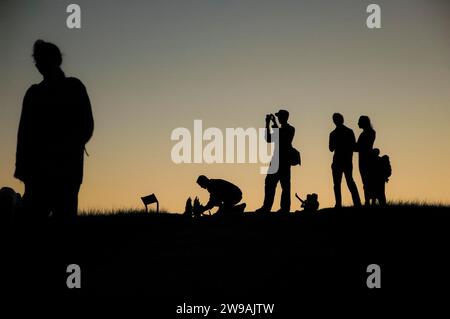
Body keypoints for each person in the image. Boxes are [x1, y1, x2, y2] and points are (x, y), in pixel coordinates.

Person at [14, 40, 94, 221]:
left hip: (66, 171)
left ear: (55, 60)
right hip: (39, 173)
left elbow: (87, 126)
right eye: (37, 60)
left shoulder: (74, 87)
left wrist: (68, 148)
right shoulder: (33, 93)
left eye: (41, 59)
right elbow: (24, 134)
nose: (39, 64)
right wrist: (21, 167)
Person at [256, 109, 295, 213]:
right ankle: (266, 207)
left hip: (284, 161)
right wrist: (267, 123)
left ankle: (284, 208)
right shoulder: (279, 129)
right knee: (269, 184)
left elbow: (283, 139)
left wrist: (274, 124)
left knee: (285, 186)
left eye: (279, 117)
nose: (278, 118)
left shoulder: (290, 129)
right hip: (275, 160)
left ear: (284, 117)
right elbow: (268, 139)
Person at [329, 113, 361, 208]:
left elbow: (331, 148)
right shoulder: (348, 131)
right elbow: (354, 146)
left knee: (340, 183)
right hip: (344, 161)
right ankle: (356, 203)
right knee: (347, 182)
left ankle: (340, 204)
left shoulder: (333, 133)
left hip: (341, 161)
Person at [356, 115, 376, 206]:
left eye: (359, 121)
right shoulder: (370, 132)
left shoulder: (367, 133)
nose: (358, 123)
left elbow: (359, 147)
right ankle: (370, 201)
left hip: (365, 159)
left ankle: (369, 201)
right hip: (366, 158)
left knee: (367, 181)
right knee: (368, 181)